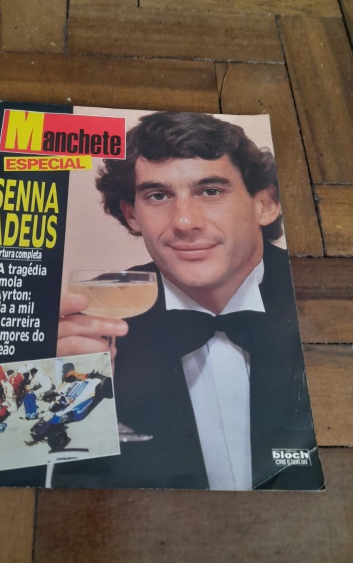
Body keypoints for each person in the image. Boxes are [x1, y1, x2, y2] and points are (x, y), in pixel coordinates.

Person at [55, 112, 323, 491]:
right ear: (132, 215)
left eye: (210, 191)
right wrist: (51, 399)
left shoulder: (326, 300)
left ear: (265, 203)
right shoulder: (88, 317)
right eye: (158, 196)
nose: (184, 221)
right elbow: (45, 469)